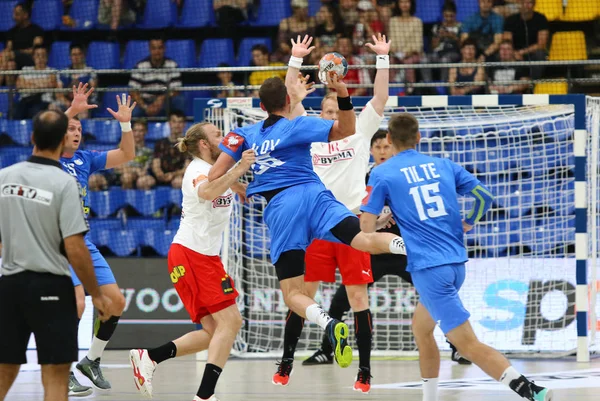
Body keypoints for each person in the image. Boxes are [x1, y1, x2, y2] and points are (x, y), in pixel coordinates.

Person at [207, 67, 407, 371]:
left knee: (293, 294)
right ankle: (409, 245)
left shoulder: (240, 136)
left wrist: (239, 178)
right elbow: (345, 130)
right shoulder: (298, 125)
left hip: (284, 209)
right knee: (364, 240)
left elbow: (213, 177)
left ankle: (328, 324)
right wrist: (341, 92)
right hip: (317, 197)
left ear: (260, 107)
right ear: (288, 102)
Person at [360, 113, 552, 401]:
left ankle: (531, 391)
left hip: (428, 267)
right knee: (421, 329)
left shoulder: (382, 173)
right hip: (455, 261)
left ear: (388, 139)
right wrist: (469, 222)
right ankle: (430, 397)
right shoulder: (443, 165)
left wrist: (379, 221)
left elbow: (365, 229)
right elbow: (484, 196)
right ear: (419, 138)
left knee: (466, 345)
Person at [272, 33, 391, 393]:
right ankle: (286, 360)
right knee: (301, 294)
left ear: (341, 111)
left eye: (333, 111)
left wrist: (382, 58)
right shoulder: (307, 133)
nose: (329, 115)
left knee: (358, 298)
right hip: (314, 226)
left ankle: (365, 371)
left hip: (349, 224)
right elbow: (290, 96)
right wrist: (295, 59)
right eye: (323, 111)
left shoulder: (358, 132)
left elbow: (381, 97)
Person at [129, 123, 255, 401]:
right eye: (216, 135)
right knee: (231, 323)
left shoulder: (213, 170)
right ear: (204, 145)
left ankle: (149, 357)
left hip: (197, 255)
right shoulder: (197, 170)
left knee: (214, 331)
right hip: (193, 254)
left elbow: (219, 180)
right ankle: (205, 396)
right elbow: (207, 191)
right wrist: (239, 170)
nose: (222, 138)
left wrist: (238, 185)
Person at [0, 110, 113, 401]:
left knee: (4, 371)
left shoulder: (5, 177)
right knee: (55, 376)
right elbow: (74, 246)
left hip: (11, 283)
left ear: (32, 138)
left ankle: (88, 364)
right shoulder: (64, 183)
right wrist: (96, 294)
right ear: (62, 139)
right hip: (51, 284)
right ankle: (83, 367)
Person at [60, 84, 136, 396]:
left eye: (79, 128)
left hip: (83, 241)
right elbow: (46, 134)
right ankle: (62, 368)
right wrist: (72, 110)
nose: (77, 132)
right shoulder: (46, 158)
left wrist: (125, 124)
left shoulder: (85, 159)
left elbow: (127, 154)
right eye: (70, 128)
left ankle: (90, 361)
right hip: (55, 243)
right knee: (77, 304)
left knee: (115, 302)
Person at [129, 38, 184, 118]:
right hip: (145, 101)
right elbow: (133, 91)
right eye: (154, 48)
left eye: (160, 48)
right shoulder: (140, 66)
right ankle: (136, 130)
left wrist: (161, 98)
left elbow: (176, 90)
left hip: (165, 101)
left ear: (164, 49)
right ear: (149, 49)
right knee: (134, 111)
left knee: (179, 100)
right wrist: (145, 107)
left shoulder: (172, 65)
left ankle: (178, 128)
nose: (157, 51)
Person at [503, 0, 549, 79]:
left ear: (534, 4)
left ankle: (532, 83)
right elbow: (507, 41)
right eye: (523, 2)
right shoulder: (511, 20)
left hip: (532, 53)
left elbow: (541, 44)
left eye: (529, 3)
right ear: (519, 4)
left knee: (541, 54)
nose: (526, 5)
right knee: (503, 52)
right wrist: (514, 53)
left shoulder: (541, 19)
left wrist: (522, 52)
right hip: (514, 53)